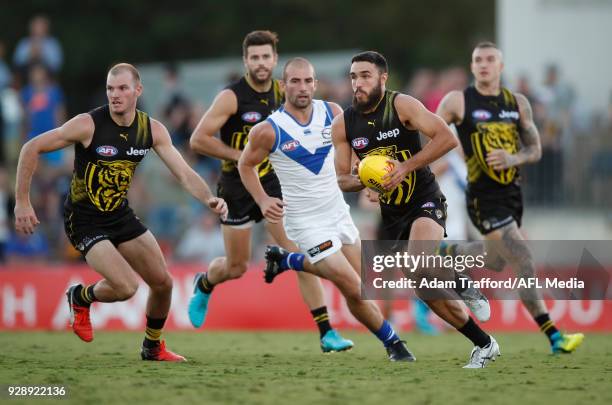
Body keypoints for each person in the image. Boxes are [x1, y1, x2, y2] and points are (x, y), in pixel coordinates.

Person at [14, 63, 228, 361]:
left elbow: (182, 172)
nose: (115, 95)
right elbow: (30, 147)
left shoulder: (151, 129)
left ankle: (152, 347)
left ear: (137, 91)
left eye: (122, 88)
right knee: (126, 287)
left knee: (163, 283)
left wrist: (209, 199)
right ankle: (80, 297)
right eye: (110, 89)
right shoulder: (87, 124)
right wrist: (23, 201)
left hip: (119, 215)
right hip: (85, 220)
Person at [332, 51, 499, 368]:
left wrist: (405, 168)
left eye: (365, 75)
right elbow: (342, 179)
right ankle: (485, 344)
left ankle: (461, 281)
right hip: (392, 212)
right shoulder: (343, 124)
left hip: (424, 198)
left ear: (382, 78)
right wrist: (365, 181)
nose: (358, 82)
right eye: (354, 76)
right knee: (423, 286)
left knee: (418, 261)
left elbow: (446, 138)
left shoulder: (401, 105)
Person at [240, 57, 414, 361]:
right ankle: (395, 344)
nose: (302, 87)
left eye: (308, 81)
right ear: (283, 86)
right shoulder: (268, 130)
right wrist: (263, 200)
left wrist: (369, 182)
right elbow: (245, 165)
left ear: (316, 84)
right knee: (347, 281)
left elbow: (354, 157)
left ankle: (287, 261)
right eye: (294, 81)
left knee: (364, 287)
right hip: (305, 223)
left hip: (338, 214)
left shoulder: (333, 113)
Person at [188, 31, 352, 352]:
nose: (261, 63)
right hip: (237, 187)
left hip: (276, 186)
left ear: (275, 60)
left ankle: (326, 332)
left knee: (301, 251)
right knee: (235, 267)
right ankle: (205, 283)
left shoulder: (287, 91)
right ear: (245, 61)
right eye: (254, 57)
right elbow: (198, 140)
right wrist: (244, 157)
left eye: (266, 57)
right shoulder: (231, 97)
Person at [436, 42, 584, 354]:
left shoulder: (517, 103)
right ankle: (555, 337)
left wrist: (512, 158)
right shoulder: (458, 101)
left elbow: (536, 149)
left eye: (490, 60)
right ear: (472, 66)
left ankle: (447, 251)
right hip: (482, 197)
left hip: (512, 196)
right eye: (478, 60)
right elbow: (430, 132)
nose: (484, 65)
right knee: (523, 257)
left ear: (501, 66)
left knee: (496, 260)